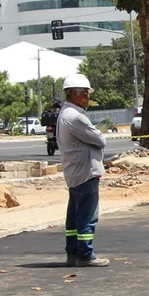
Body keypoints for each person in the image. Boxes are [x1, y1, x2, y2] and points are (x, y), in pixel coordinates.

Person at [57, 74, 109, 267]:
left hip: (74, 172)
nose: (88, 98)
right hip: (85, 172)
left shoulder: (65, 114)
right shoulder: (76, 117)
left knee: (74, 217)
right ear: (74, 94)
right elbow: (100, 140)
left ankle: (73, 253)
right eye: (85, 94)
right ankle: (86, 255)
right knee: (87, 216)